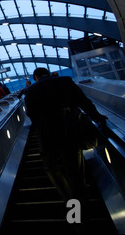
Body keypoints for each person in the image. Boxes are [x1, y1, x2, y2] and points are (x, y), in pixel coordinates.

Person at [24, 68, 107, 218]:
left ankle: (72, 208)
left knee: (53, 171)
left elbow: (31, 114)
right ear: (48, 73)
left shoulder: (30, 90)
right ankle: (80, 212)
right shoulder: (64, 81)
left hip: (47, 138)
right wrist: (97, 117)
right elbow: (84, 101)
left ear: (35, 77)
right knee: (75, 174)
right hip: (69, 133)